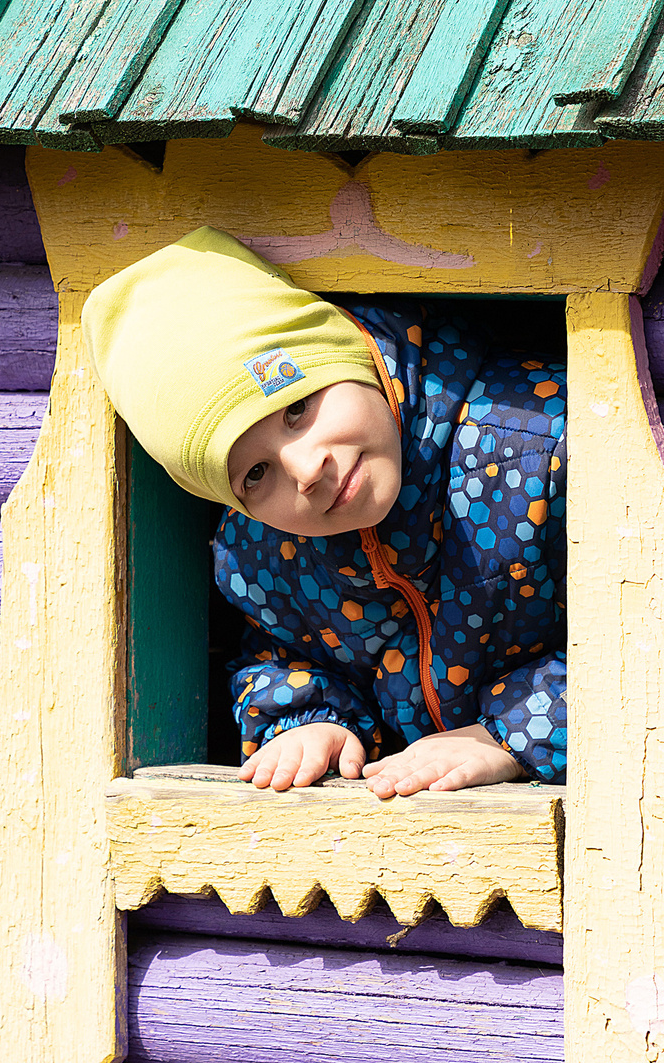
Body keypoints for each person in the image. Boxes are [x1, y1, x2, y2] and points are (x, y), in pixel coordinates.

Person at [82, 227, 567, 796]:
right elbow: (283, 652)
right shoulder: (263, 553)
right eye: (256, 474)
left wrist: (508, 737)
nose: (306, 470)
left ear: (353, 356)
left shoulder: (535, 443)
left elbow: (640, 631)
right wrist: (310, 719)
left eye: (297, 408)